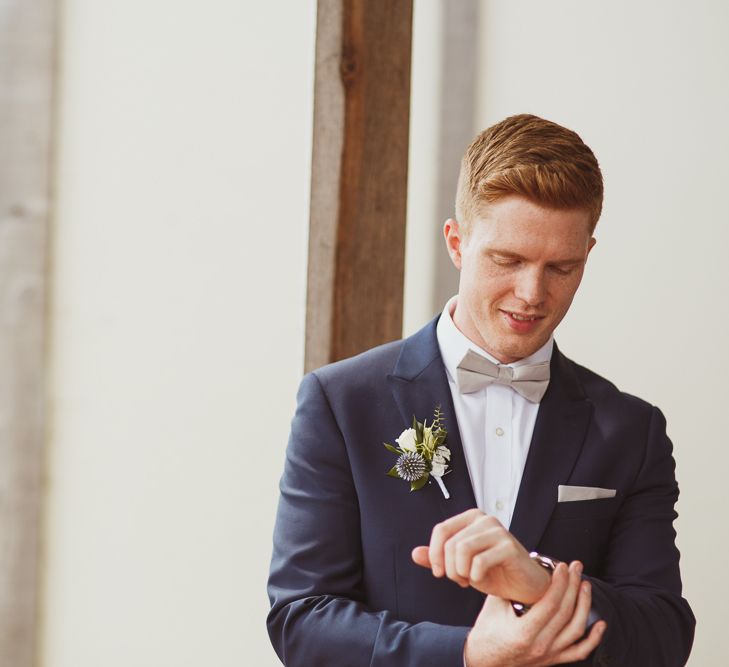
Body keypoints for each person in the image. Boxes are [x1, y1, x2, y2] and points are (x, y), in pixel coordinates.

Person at [267, 114, 695, 666]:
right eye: (507, 260)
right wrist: (467, 655)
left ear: (588, 254)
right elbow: (301, 620)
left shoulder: (632, 431)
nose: (531, 294)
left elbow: (662, 636)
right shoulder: (339, 403)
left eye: (561, 267)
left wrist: (540, 582)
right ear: (457, 242)